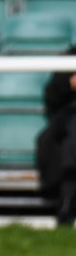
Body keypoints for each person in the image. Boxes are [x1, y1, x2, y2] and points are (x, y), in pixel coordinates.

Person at [36, 49, 76, 225]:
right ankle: (67, 202)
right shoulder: (70, 59)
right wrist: (70, 85)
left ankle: (67, 202)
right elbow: (52, 98)